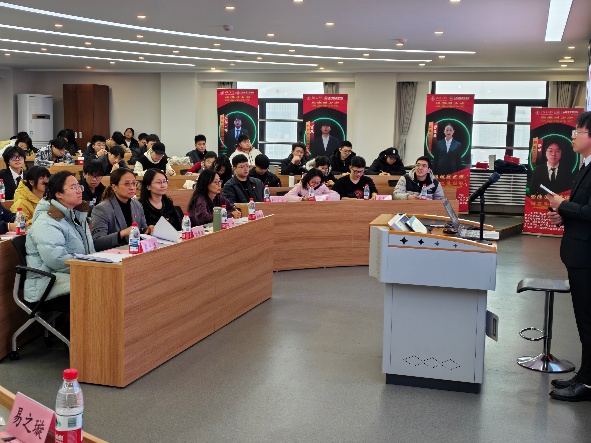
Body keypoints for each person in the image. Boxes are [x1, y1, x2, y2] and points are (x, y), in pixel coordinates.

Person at [547, 112, 591, 402]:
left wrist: (564, 205)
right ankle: (585, 375)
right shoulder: (584, 166)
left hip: (587, 257)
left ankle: (588, 383)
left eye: (578, 132)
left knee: (588, 321)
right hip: (578, 254)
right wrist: (563, 215)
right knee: (583, 320)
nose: (572, 137)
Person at [24, 170, 94, 307]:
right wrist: (92, 269)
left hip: (69, 276)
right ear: (58, 194)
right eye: (73, 188)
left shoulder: (76, 216)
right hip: (46, 285)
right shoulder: (46, 222)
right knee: (101, 288)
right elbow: (56, 259)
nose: (79, 191)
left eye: (79, 186)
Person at [91, 168, 152, 252]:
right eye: (127, 184)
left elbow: (142, 229)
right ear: (114, 187)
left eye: (134, 183)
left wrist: (148, 230)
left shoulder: (137, 205)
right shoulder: (102, 209)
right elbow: (97, 243)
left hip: (134, 251)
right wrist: (121, 234)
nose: (132, 187)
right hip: (114, 254)